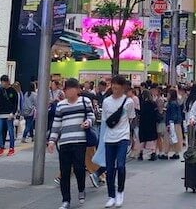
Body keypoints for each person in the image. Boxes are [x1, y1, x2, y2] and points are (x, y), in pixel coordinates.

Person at [48, 78, 95, 209]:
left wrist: (88, 123)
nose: (68, 92)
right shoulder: (61, 105)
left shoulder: (85, 101)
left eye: (70, 89)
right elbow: (56, 124)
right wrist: (52, 140)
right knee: (65, 171)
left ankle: (81, 189)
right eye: (66, 89)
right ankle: (66, 200)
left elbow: (92, 116)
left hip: (80, 141)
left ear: (77, 90)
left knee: (80, 168)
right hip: (64, 142)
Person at [102, 75, 135, 208]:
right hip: (109, 138)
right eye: (113, 84)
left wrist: (130, 135)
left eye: (117, 85)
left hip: (123, 137)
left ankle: (120, 192)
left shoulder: (129, 102)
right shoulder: (106, 102)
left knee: (120, 165)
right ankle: (111, 195)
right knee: (110, 169)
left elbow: (131, 118)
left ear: (123, 87)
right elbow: (105, 120)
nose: (114, 87)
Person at [0, 75, 19, 156]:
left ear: (7, 82)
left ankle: (11, 148)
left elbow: (15, 103)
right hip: (0, 114)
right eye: (1, 82)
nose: (2, 84)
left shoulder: (13, 91)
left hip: (9, 114)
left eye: (3, 82)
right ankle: (1, 147)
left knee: (11, 131)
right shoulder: (0, 91)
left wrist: (13, 113)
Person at [165, 90, 183, 159]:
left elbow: (172, 114)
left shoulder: (171, 103)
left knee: (168, 138)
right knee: (176, 138)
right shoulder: (176, 102)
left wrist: (169, 123)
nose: (167, 96)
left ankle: (166, 153)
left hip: (172, 123)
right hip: (176, 123)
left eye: (168, 94)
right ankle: (176, 152)